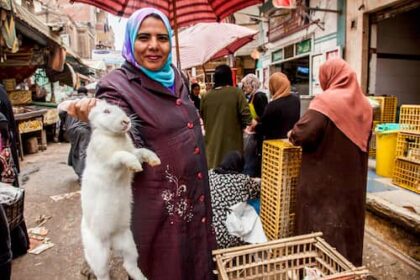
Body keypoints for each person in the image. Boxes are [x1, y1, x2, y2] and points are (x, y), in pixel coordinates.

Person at [64, 8, 215, 280]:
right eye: (144, 37)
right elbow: (124, 143)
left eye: (162, 37)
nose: (154, 46)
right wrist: (101, 120)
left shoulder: (177, 78)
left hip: (194, 201)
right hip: (159, 214)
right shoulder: (117, 87)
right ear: (130, 41)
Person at [288, 58, 372, 266]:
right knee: (346, 227)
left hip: (322, 184)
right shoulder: (365, 105)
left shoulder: (326, 101)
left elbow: (303, 134)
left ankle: (317, 271)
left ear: (329, 76)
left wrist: (292, 133)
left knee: (320, 231)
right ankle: (347, 269)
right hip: (352, 184)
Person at [200, 64, 251, 169]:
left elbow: (203, 117)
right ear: (229, 77)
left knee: (214, 177)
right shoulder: (236, 93)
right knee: (233, 178)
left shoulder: (206, 96)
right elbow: (247, 117)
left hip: (212, 148)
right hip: (233, 148)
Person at [208, 151, 260, 249]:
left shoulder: (209, 175)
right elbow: (259, 191)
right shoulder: (243, 180)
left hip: (212, 237)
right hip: (234, 238)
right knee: (255, 204)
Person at [254, 72, 300, 140]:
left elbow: (264, 129)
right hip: (291, 141)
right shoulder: (295, 100)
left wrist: (255, 125)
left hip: (275, 145)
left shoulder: (273, 105)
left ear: (273, 86)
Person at [241, 74, 267, 177]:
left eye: (246, 85)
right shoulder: (252, 96)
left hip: (260, 133)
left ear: (252, 85)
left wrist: (256, 123)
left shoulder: (259, 96)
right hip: (254, 131)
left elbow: (264, 116)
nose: (244, 88)